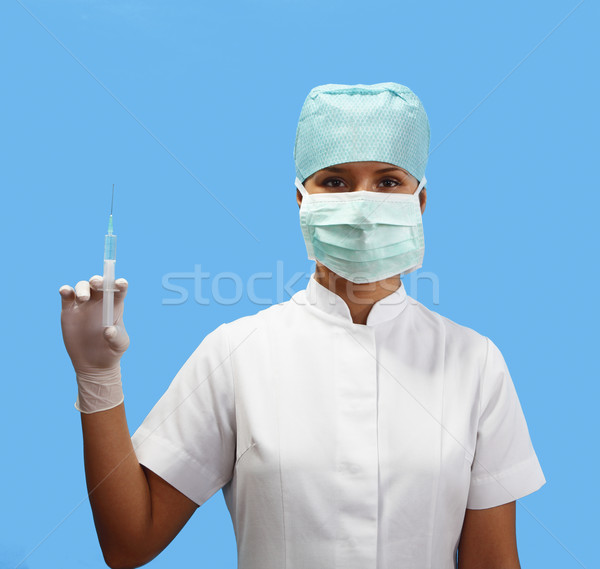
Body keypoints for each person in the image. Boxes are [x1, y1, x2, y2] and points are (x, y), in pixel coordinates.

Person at [60, 82, 546, 569]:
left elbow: (493, 561)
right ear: (301, 201)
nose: (361, 205)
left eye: (388, 182)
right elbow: (129, 542)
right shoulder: (237, 353)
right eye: (334, 182)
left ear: (419, 202)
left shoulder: (475, 363)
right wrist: (98, 378)